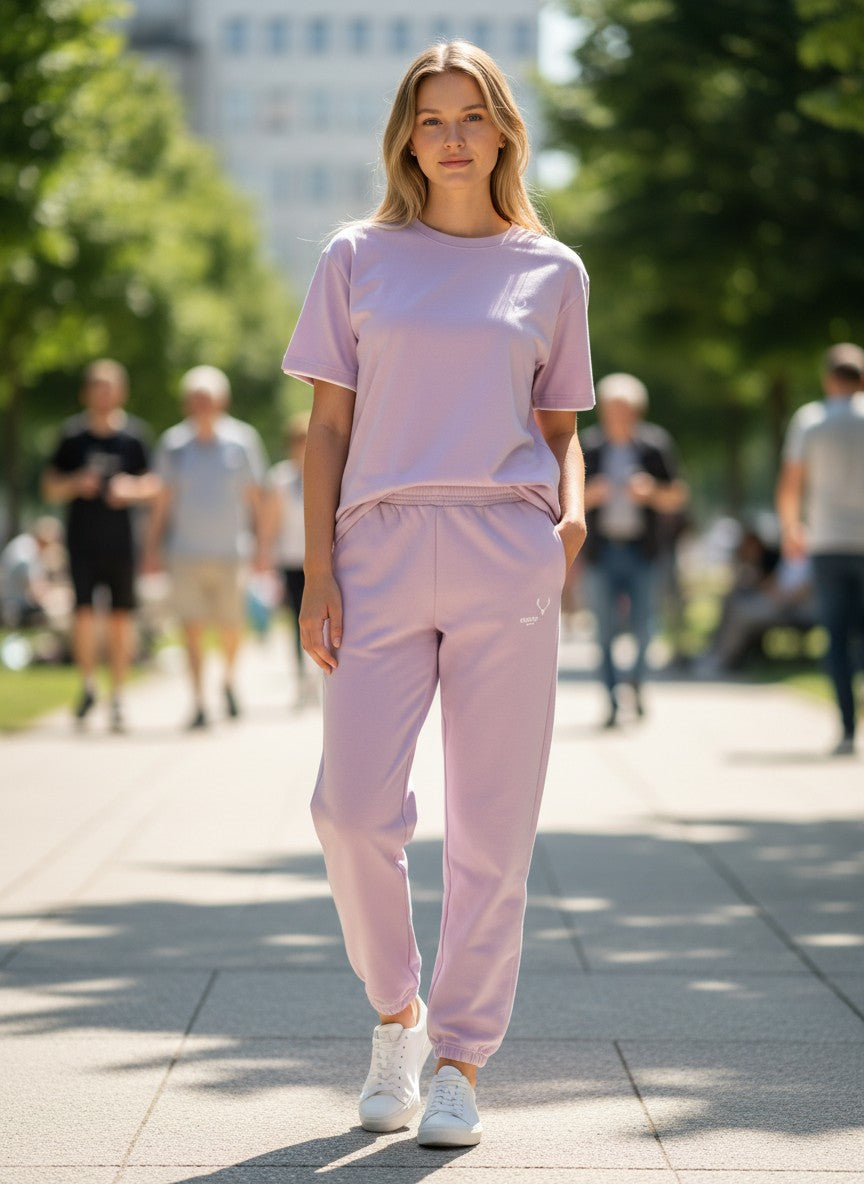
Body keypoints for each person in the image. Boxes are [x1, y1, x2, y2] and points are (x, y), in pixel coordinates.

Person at [282, 41, 593, 1148]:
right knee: (349, 808)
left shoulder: (551, 269)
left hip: (506, 548)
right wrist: (317, 566)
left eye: (472, 115)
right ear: (406, 137)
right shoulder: (356, 256)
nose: (452, 135)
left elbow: (561, 429)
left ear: (504, 129)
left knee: (493, 826)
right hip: (376, 545)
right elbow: (325, 429)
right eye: (430, 118)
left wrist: (573, 510)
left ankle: (460, 1056)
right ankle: (395, 1015)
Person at [144, 365, 270, 730]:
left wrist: (263, 549)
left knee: (232, 626)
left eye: (208, 398)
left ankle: (228, 681)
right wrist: (150, 549)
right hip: (184, 552)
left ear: (221, 401)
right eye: (195, 399)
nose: (201, 405)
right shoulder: (173, 445)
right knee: (192, 628)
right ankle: (198, 701)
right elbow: (162, 501)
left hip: (231, 553)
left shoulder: (243, 441)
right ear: (187, 402)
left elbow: (255, 500)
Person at [42, 360, 158, 732]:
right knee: (83, 616)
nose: (103, 393)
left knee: (121, 619)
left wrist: (131, 489)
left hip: (122, 543)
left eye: (109, 387)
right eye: (97, 386)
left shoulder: (135, 437)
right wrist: (76, 482)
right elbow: (50, 485)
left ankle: (119, 697)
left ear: (120, 392)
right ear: (87, 393)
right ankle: (88, 685)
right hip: (81, 543)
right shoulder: (72, 436)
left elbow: (154, 486)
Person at [581, 373, 687, 727]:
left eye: (626, 410)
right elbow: (564, 501)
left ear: (638, 411)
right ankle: (611, 701)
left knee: (645, 628)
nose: (619, 417)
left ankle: (637, 684)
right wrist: (589, 496)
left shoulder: (655, 446)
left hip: (645, 553)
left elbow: (677, 497)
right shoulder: (589, 448)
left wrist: (651, 494)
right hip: (602, 552)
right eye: (613, 409)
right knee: (605, 631)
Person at [776, 342, 864, 756]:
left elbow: (791, 482)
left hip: (827, 542)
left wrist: (792, 527)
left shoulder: (810, 420)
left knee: (836, 635)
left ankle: (847, 727)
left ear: (830, 378)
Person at [699, 523, 815, 672]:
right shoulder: (790, 561)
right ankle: (713, 651)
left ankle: (723, 659)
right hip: (774, 602)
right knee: (731, 601)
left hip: (788, 610)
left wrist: (775, 593)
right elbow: (772, 583)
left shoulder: (810, 564)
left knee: (740, 611)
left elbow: (798, 594)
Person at [267, 412, 314, 704]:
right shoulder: (281, 479)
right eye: (299, 442)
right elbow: (271, 521)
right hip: (291, 558)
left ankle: (322, 675)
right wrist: (265, 554)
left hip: (323, 559)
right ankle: (301, 678)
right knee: (297, 618)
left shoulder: (333, 472)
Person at [0, 516, 65, 629]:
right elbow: (35, 593)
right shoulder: (28, 552)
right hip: (14, 608)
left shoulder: (26, 543)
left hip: (11, 602)